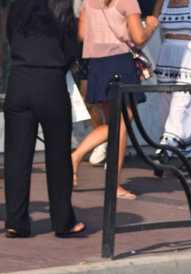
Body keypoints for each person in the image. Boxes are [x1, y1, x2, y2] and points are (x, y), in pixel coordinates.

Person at [3, 0, 87, 238]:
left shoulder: (17, 7)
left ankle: (15, 221)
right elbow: (73, 48)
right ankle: (63, 221)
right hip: (51, 80)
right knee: (58, 156)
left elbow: (9, 36)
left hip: (19, 79)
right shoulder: (61, 8)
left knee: (16, 157)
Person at [70, 0, 158, 201]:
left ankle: (77, 157)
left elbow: (82, 35)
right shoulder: (127, 1)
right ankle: (112, 183)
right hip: (120, 63)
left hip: (97, 66)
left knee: (114, 125)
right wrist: (151, 26)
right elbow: (138, 38)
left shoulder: (88, 2)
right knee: (121, 126)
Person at [153, 0, 191, 157]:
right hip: (167, 56)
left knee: (181, 105)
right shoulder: (162, 2)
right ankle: (187, 153)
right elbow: (151, 26)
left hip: (190, 57)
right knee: (166, 108)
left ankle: (166, 148)